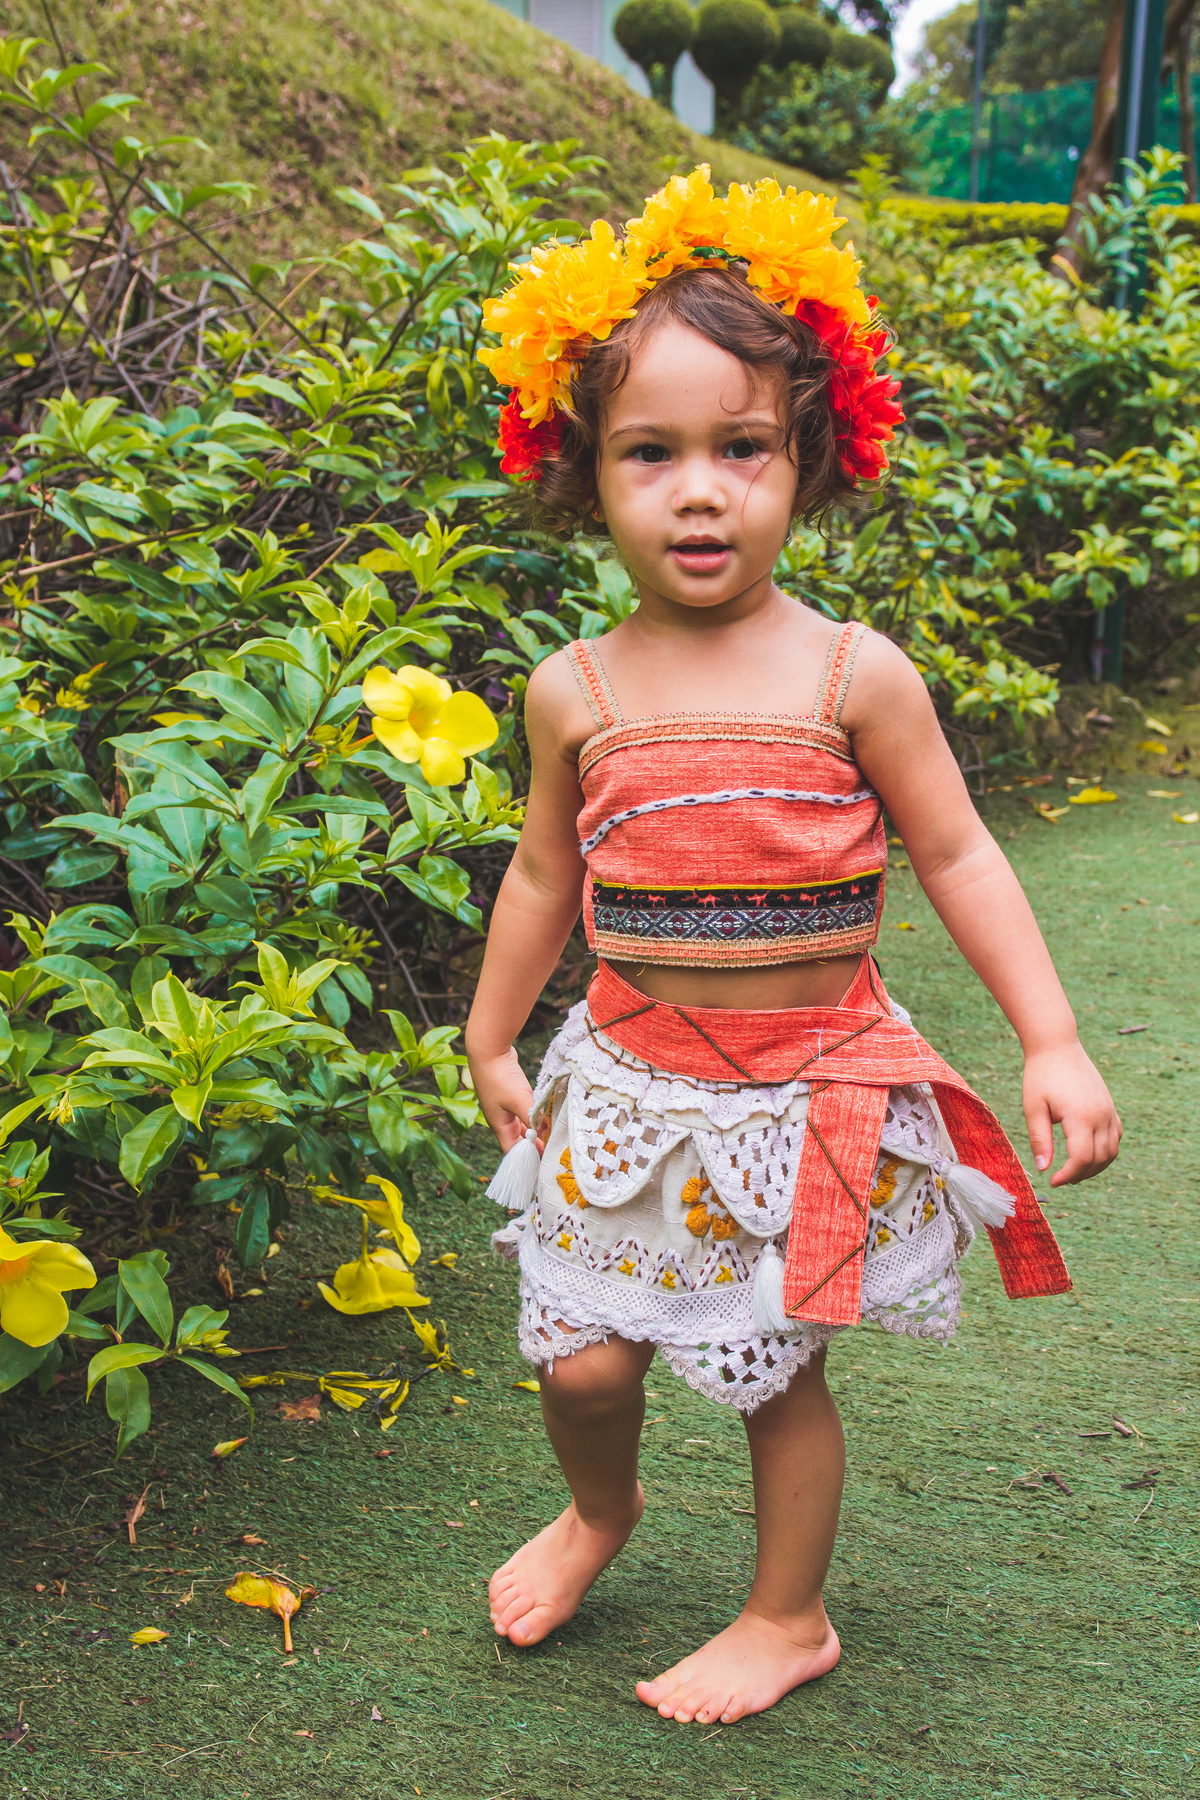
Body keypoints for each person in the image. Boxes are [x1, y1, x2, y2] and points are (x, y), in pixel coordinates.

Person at [464, 167, 1121, 1727]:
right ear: (583, 472)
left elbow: (958, 852)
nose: (700, 491)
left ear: (810, 459)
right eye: (652, 451)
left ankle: (787, 1614)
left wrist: (1051, 1036)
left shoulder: (852, 676)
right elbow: (544, 871)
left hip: (804, 1097)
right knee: (583, 1362)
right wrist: (491, 1033)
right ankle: (601, 1509)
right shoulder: (573, 691)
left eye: (741, 446)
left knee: (777, 1371)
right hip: (627, 1088)